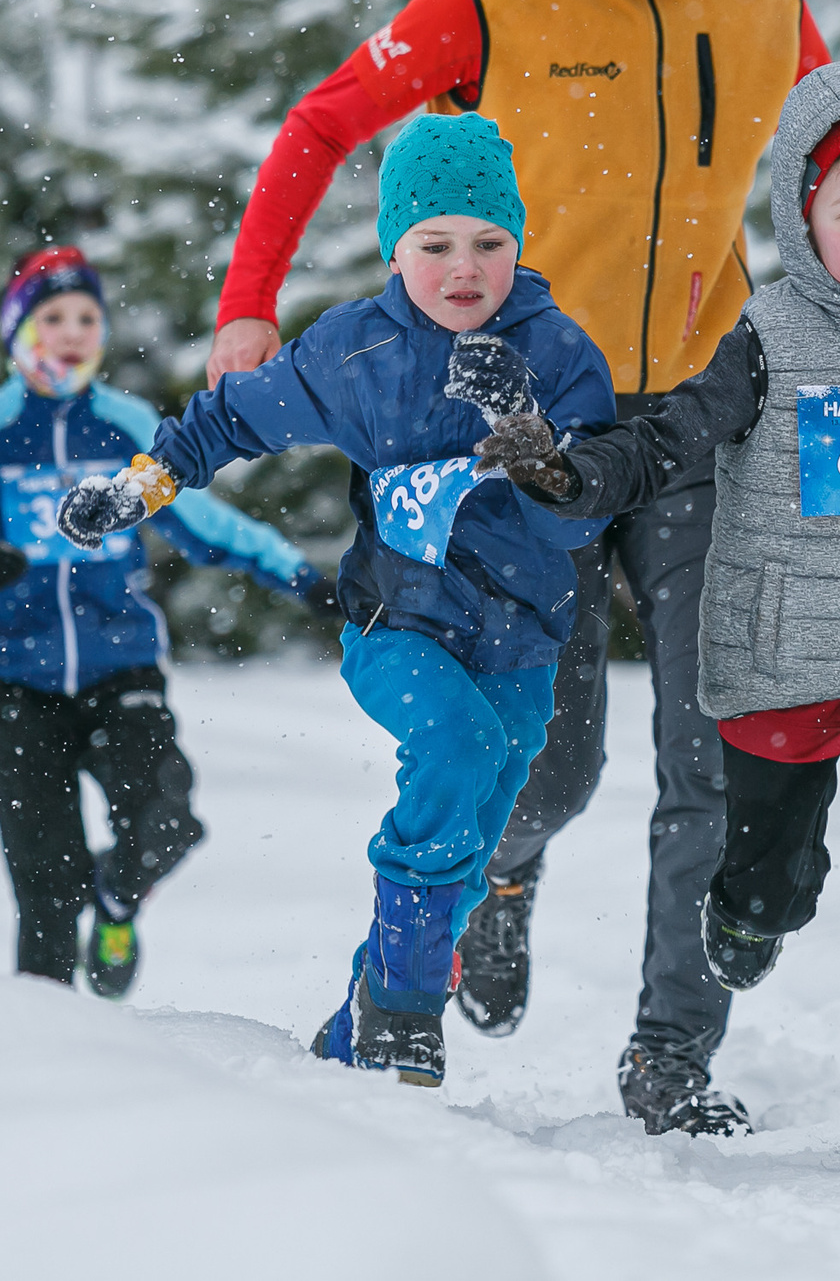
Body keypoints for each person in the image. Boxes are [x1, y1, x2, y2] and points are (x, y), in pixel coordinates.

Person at [202, 0, 829, 1132]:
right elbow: (320, 125)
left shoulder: (767, 3)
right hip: (523, 433)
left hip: (690, 422)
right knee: (552, 762)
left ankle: (673, 1056)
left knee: (707, 751)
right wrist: (253, 304)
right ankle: (501, 867)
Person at [474, 62, 840, 1167]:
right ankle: (748, 912)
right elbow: (671, 436)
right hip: (782, 661)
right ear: (805, 222)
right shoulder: (766, 339)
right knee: (775, 885)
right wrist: (574, 475)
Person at [56, 114, 614, 1087]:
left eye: (488, 243)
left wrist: (532, 442)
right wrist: (135, 491)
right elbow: (225, 421)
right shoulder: (357, 353)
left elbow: (585, 519)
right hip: (396, 622)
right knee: (457, 748)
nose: (463, 269)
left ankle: (365, 1016)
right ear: (395, 250)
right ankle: (403, 1015)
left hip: (523, 635)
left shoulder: (559, 356)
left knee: (480, 818)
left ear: (517, 246)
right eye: (434, 245)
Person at [0, 247, 330, 995]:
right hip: (15, 677)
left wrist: (299, 575)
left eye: (88, 317)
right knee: (45, 889)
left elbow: (202, 519)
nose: (74, 331)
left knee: (165, 816)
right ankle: (46, 1054)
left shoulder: (123, 424)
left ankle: (117, 905)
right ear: (18, 332)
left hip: (121, 665)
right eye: (53, 317)